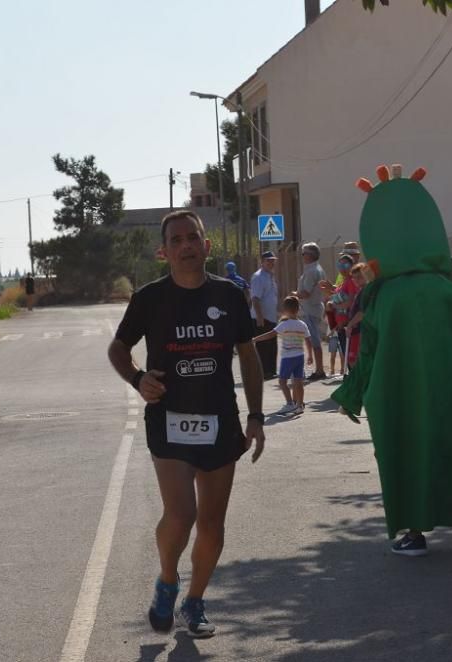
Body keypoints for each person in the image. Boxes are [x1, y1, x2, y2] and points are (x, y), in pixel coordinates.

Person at [107, 209, 265, 638]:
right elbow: (118, 349)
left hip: (220, 420)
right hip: (169, 420)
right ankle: (167, 580)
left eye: (191, 238)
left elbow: (248, 358)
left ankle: (193, 602)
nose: (185, 246)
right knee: (181, 514)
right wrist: (139, 379)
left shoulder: (230, 295)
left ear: (206, 245)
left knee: (213, 524)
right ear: (165, 251)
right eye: (175, 241)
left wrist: (255, 415)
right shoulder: (150, 299)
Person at [333, 163, 452, 556]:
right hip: (443, 385)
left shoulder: (383, 295)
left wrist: (351, 393)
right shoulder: (446, 289)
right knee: (447, 443)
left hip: (396, 391)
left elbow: (369, 351)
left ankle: (415, 532)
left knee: (404, 449)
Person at [254, 295, 313, 416]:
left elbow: (271, 334)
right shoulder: (302, 324)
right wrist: (310, 355)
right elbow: (308, 341)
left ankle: (289, 403)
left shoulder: (284, 324)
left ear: (285, 310)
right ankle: (300, 405)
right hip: (300, 356)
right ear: (298, 309)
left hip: (288, 358)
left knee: (282, 382)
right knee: (298, 382)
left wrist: (255, 339)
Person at [297, 242, 327, 380]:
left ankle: (320, 370)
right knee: (313, 340)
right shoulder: (317, 268)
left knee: (314, 340)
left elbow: (306, 293)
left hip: (310, 308)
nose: (302, 256)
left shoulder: (311, 271)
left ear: (310, 255)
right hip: (315, 307)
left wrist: (294, 294)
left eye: (304, 253)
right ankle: (319, 369)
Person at [250, 252, 280, 380]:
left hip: (271, 316)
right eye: (268, 261)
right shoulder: (258, 276)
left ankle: (270, 371)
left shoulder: (270, 276)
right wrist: (260, 317)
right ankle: (262, 372)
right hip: (262, 317)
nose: (271, 263)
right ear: (262, 261)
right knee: (263, 345)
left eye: (273, 261)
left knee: (272, 344)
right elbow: (255, 299)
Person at [344, 262, 374, 368]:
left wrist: (351, 324)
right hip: (357, 330)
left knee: (354, 360)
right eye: (354, 278)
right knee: (352, 360)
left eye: (359, 277)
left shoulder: (366, 291)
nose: (356, 280)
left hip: (360, 330)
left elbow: (362, 312)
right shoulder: (361, 291)